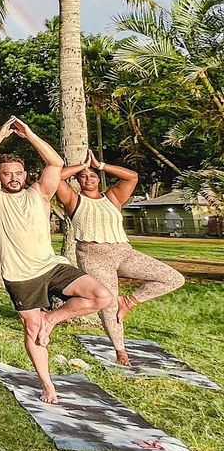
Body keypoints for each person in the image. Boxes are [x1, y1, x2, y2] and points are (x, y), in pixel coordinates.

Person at [0, 118, 113, 403]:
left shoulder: (40, 193)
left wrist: (30, 135)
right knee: (32, 329)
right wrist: (0, 134)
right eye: (6, 173)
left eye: (17, 172)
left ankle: (53, 317)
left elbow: (55, 163)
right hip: (19, 275)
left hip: (51, 265)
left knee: (103, 297)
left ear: (25, 174)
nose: (13, 177)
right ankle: (48, 385)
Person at [56, 149, 184, 366]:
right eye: (83, 176)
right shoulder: (73, 199)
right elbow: (55, 177)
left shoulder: (113, 197)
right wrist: (82, 165)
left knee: (174, 278)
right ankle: (121, 352)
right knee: (107, 304)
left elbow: (132, 176)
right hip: (94, 257)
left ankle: (128, 302)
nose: (88, 179)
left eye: (92, 175)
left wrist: (100, 165)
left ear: (99, 178)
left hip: (123, 252)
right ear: (77, 180)